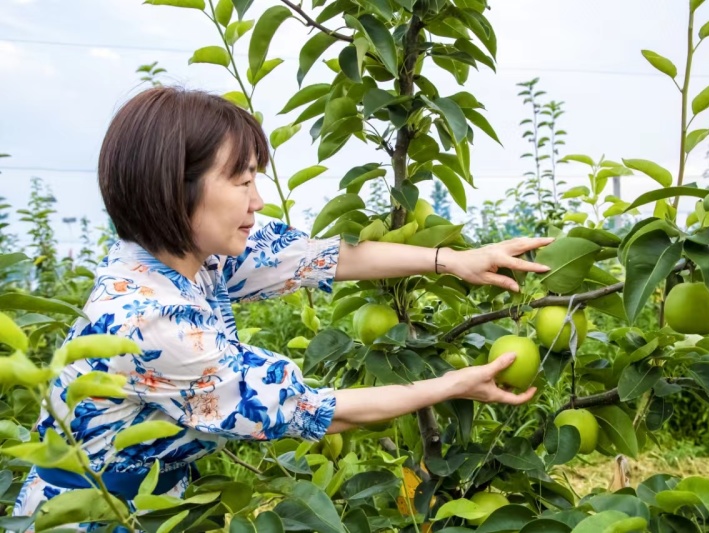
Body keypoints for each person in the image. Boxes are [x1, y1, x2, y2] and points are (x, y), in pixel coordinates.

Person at [13, 86, 554, 525]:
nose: (258, 199)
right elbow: (313, 410)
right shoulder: (150, 319)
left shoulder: (185, 253)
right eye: (242, 180)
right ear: (176, 190)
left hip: (159, 504)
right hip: (98, 519)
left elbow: (322, 257)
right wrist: (457, 384)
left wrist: (452, 259)